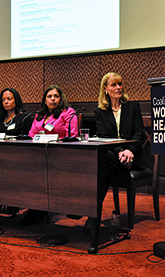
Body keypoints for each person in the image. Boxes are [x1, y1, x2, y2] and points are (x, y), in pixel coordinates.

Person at [90, 72, 151, 234]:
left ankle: (91, 214)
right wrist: (120, 152)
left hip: (133, 157)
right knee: (104, 161)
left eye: (120, 84)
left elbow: (138, 134)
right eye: (114, 85)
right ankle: (92, 215)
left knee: (101, 166)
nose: (118, 88)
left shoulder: (133, 107)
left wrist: (129, 151)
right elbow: (104, 137)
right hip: (115, 156)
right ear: (105, 89)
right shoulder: (100, 112)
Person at [21, 85, 78, 225]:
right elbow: (31, 134)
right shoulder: (39, 116)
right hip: (39, 153)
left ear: (61, 99)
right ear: (45, 100)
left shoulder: (68, 113)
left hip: (60, 154)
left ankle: (39, 209)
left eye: (56, 96)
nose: (53, 99)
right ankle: (35, 206)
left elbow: (72, 134)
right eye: (49, 96)